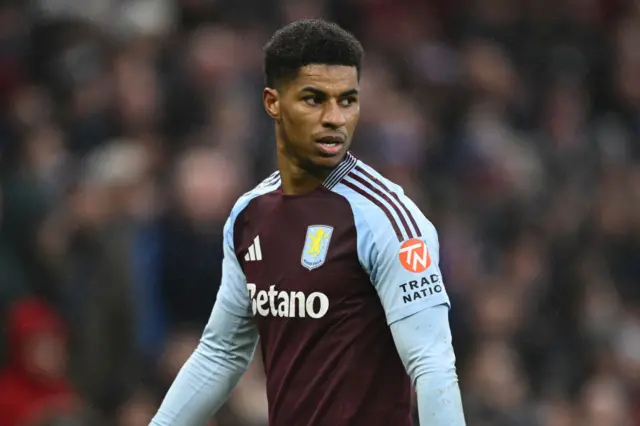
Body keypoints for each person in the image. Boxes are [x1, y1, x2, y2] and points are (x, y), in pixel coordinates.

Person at [150, 19, 466, 426]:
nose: (335, 118)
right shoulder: (250, 215)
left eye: (347, 100)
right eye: (314, 99)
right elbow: (222, 353)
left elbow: (433, 364)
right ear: (273, 102)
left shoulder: (386, 218)